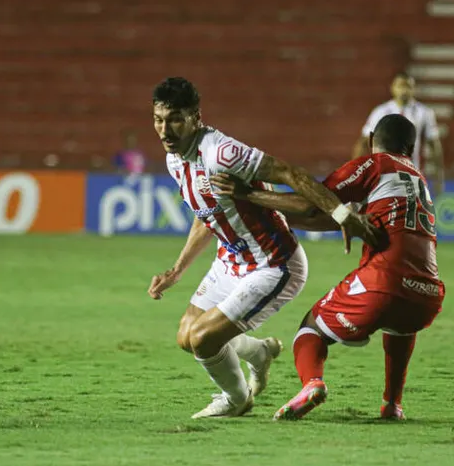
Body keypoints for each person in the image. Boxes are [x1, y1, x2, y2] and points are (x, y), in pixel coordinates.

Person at [146, 77, 383, 419]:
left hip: (274, 264)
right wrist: (177, 269)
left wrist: (342, 214)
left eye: (175, 119)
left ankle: (236, 399)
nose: (165, 129)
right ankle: (259, 353)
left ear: (196, 117)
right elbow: (206, 214)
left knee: (203, 340)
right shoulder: (175, 159)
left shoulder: (221, 153)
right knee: (186, 336)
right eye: (158, 120)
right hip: (231, 260)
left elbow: (290, 172)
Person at [212, 114, 445, 421]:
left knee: (311, 327)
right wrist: (284, 218)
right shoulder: (418, 181)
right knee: (402, 326)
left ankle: (312, 384)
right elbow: (330, 218)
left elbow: (315, 204)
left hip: (383, 283)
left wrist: (248, 195)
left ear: (373, 137)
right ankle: (392, 405)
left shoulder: (374, 165)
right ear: (412, 147)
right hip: (428, 295)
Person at [352, 72, 445, 194]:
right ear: (392, 88)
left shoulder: (424, 112)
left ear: (414, 89)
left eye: (408, 86)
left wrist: (439, 177)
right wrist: (356, 174)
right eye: (400, 86)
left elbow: (434, 145)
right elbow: (363, 143)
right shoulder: (380, 111)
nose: (404, 90)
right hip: (384, 176)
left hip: (413, 175)